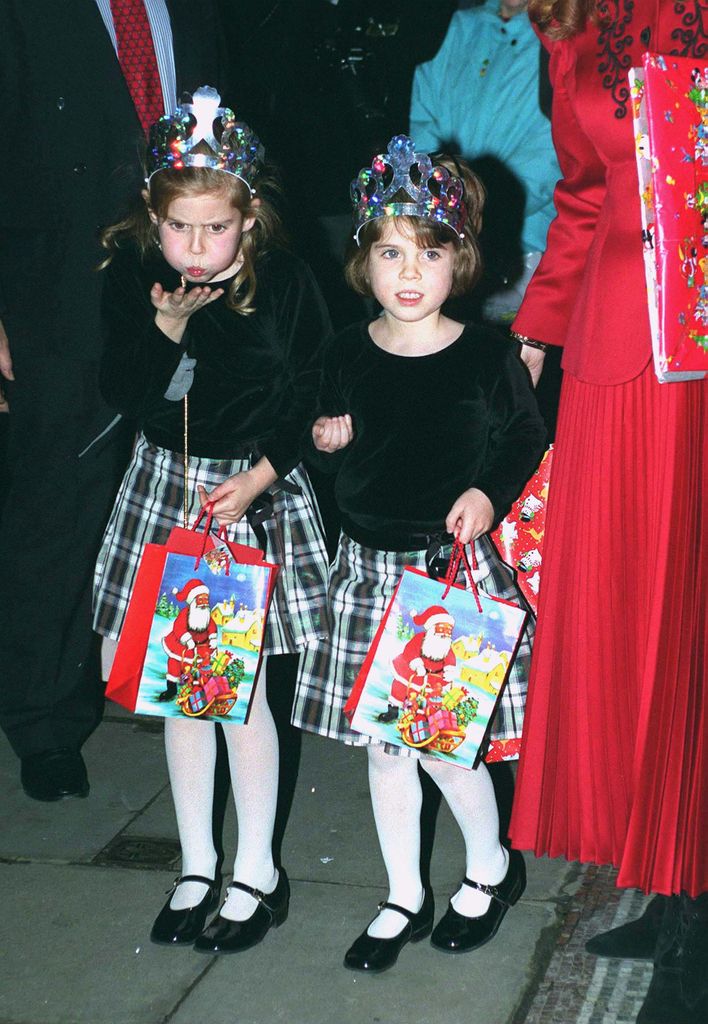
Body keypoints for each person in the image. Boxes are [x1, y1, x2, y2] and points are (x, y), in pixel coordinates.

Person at [292, 135, 547, 972]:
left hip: (446, 576)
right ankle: (403, 890)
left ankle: (489, 867)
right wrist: (327, 440)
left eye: (429, 254)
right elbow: (335, 444)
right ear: (363, 264)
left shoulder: (485, 354)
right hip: (367, 573)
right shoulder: (346, 352)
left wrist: (487, 492)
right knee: (386, 747)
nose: (409, 272)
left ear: (460, 261)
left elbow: (523, 435)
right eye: (391, 253)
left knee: (444, 742)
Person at [92, 88, 331, 953]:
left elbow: (310, 391)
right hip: (169, 491)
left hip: (252, 496)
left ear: (250, 221)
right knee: (182, 689)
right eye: (179, 229)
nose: (196, 248)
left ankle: (257, 872)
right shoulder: (137, 280)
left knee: (240, 699)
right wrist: (162, 326)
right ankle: (197, 862)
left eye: (215, 230)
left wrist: (264, 474)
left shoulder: (289, 283)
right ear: (152, 221)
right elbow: (126, 391)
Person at [506, 3, 707, 1023]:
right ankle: (675, 884)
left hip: (701, 355)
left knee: (696, 625)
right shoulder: (571, 24)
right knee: (633, 627)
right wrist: (537, 326)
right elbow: (584, 193)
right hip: (610, 352)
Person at [0, 0, 230, 802]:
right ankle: (46, 722)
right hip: (54, 298)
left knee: (192, 497)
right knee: (57, 508)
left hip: (182, 285)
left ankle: (196, 688)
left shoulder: (192, 11)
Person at [409, 0, 559, 323]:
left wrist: (476, 208)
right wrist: (441, 201)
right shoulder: (459, 26)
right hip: (441, 237)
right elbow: (423, 122)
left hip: (524, 249)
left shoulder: (561, 38)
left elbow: (556, 153)